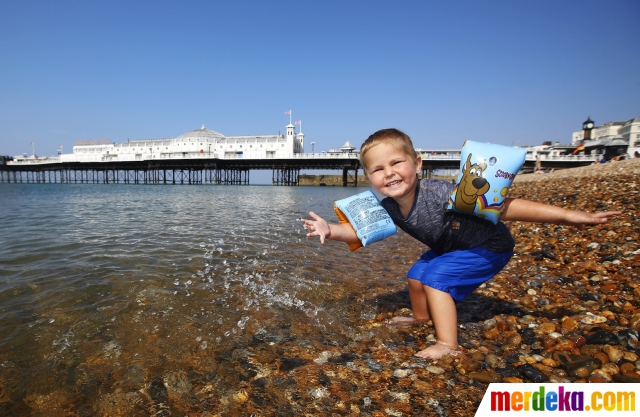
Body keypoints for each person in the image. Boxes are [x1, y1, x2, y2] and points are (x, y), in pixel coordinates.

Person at [301, 128, 621, 360]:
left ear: (418, 163)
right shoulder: (387, 209)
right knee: (416, 275)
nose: (389, 173)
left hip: (488, 246)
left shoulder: (444, 194)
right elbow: (357, 231)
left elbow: (509, 207)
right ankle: (421, 317)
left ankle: (448, 343)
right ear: (369, 177)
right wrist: (329, 228)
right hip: (453, 247)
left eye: (396, 163)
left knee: (436, 277)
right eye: (378, 169)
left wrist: (570, 216)